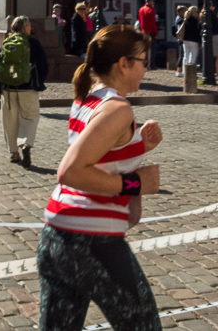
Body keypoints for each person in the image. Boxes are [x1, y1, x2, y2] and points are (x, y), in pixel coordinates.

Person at [37, 24, 164, 330]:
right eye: (144, 62)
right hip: (93, 241)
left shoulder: (86, 99)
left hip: (56, 236)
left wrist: (139, 146)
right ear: (124, 64)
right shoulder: (118, 108)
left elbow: (100, 158)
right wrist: (137, 184)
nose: (147, 69)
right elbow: (70, 171)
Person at [0, 16, 49, 168]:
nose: (30, 26)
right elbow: (43, 65)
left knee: (9, 120)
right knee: (30, 117)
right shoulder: (33, 43)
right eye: (29, 24)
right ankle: (26, 144)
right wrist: (38, 81)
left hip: (8, 88)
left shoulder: (6, 42)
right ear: (24, 28)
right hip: (28, 87)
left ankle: (14, 153)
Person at [179, 6, 201, 75]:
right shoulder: (195, 21)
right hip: (193, 40)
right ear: (194, 13)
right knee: (193, 56)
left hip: (185, 40)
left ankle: (184, 71)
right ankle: (190, 72)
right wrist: (200, 42)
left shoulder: (185, 20)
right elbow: (197, 32)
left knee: (185, 55)